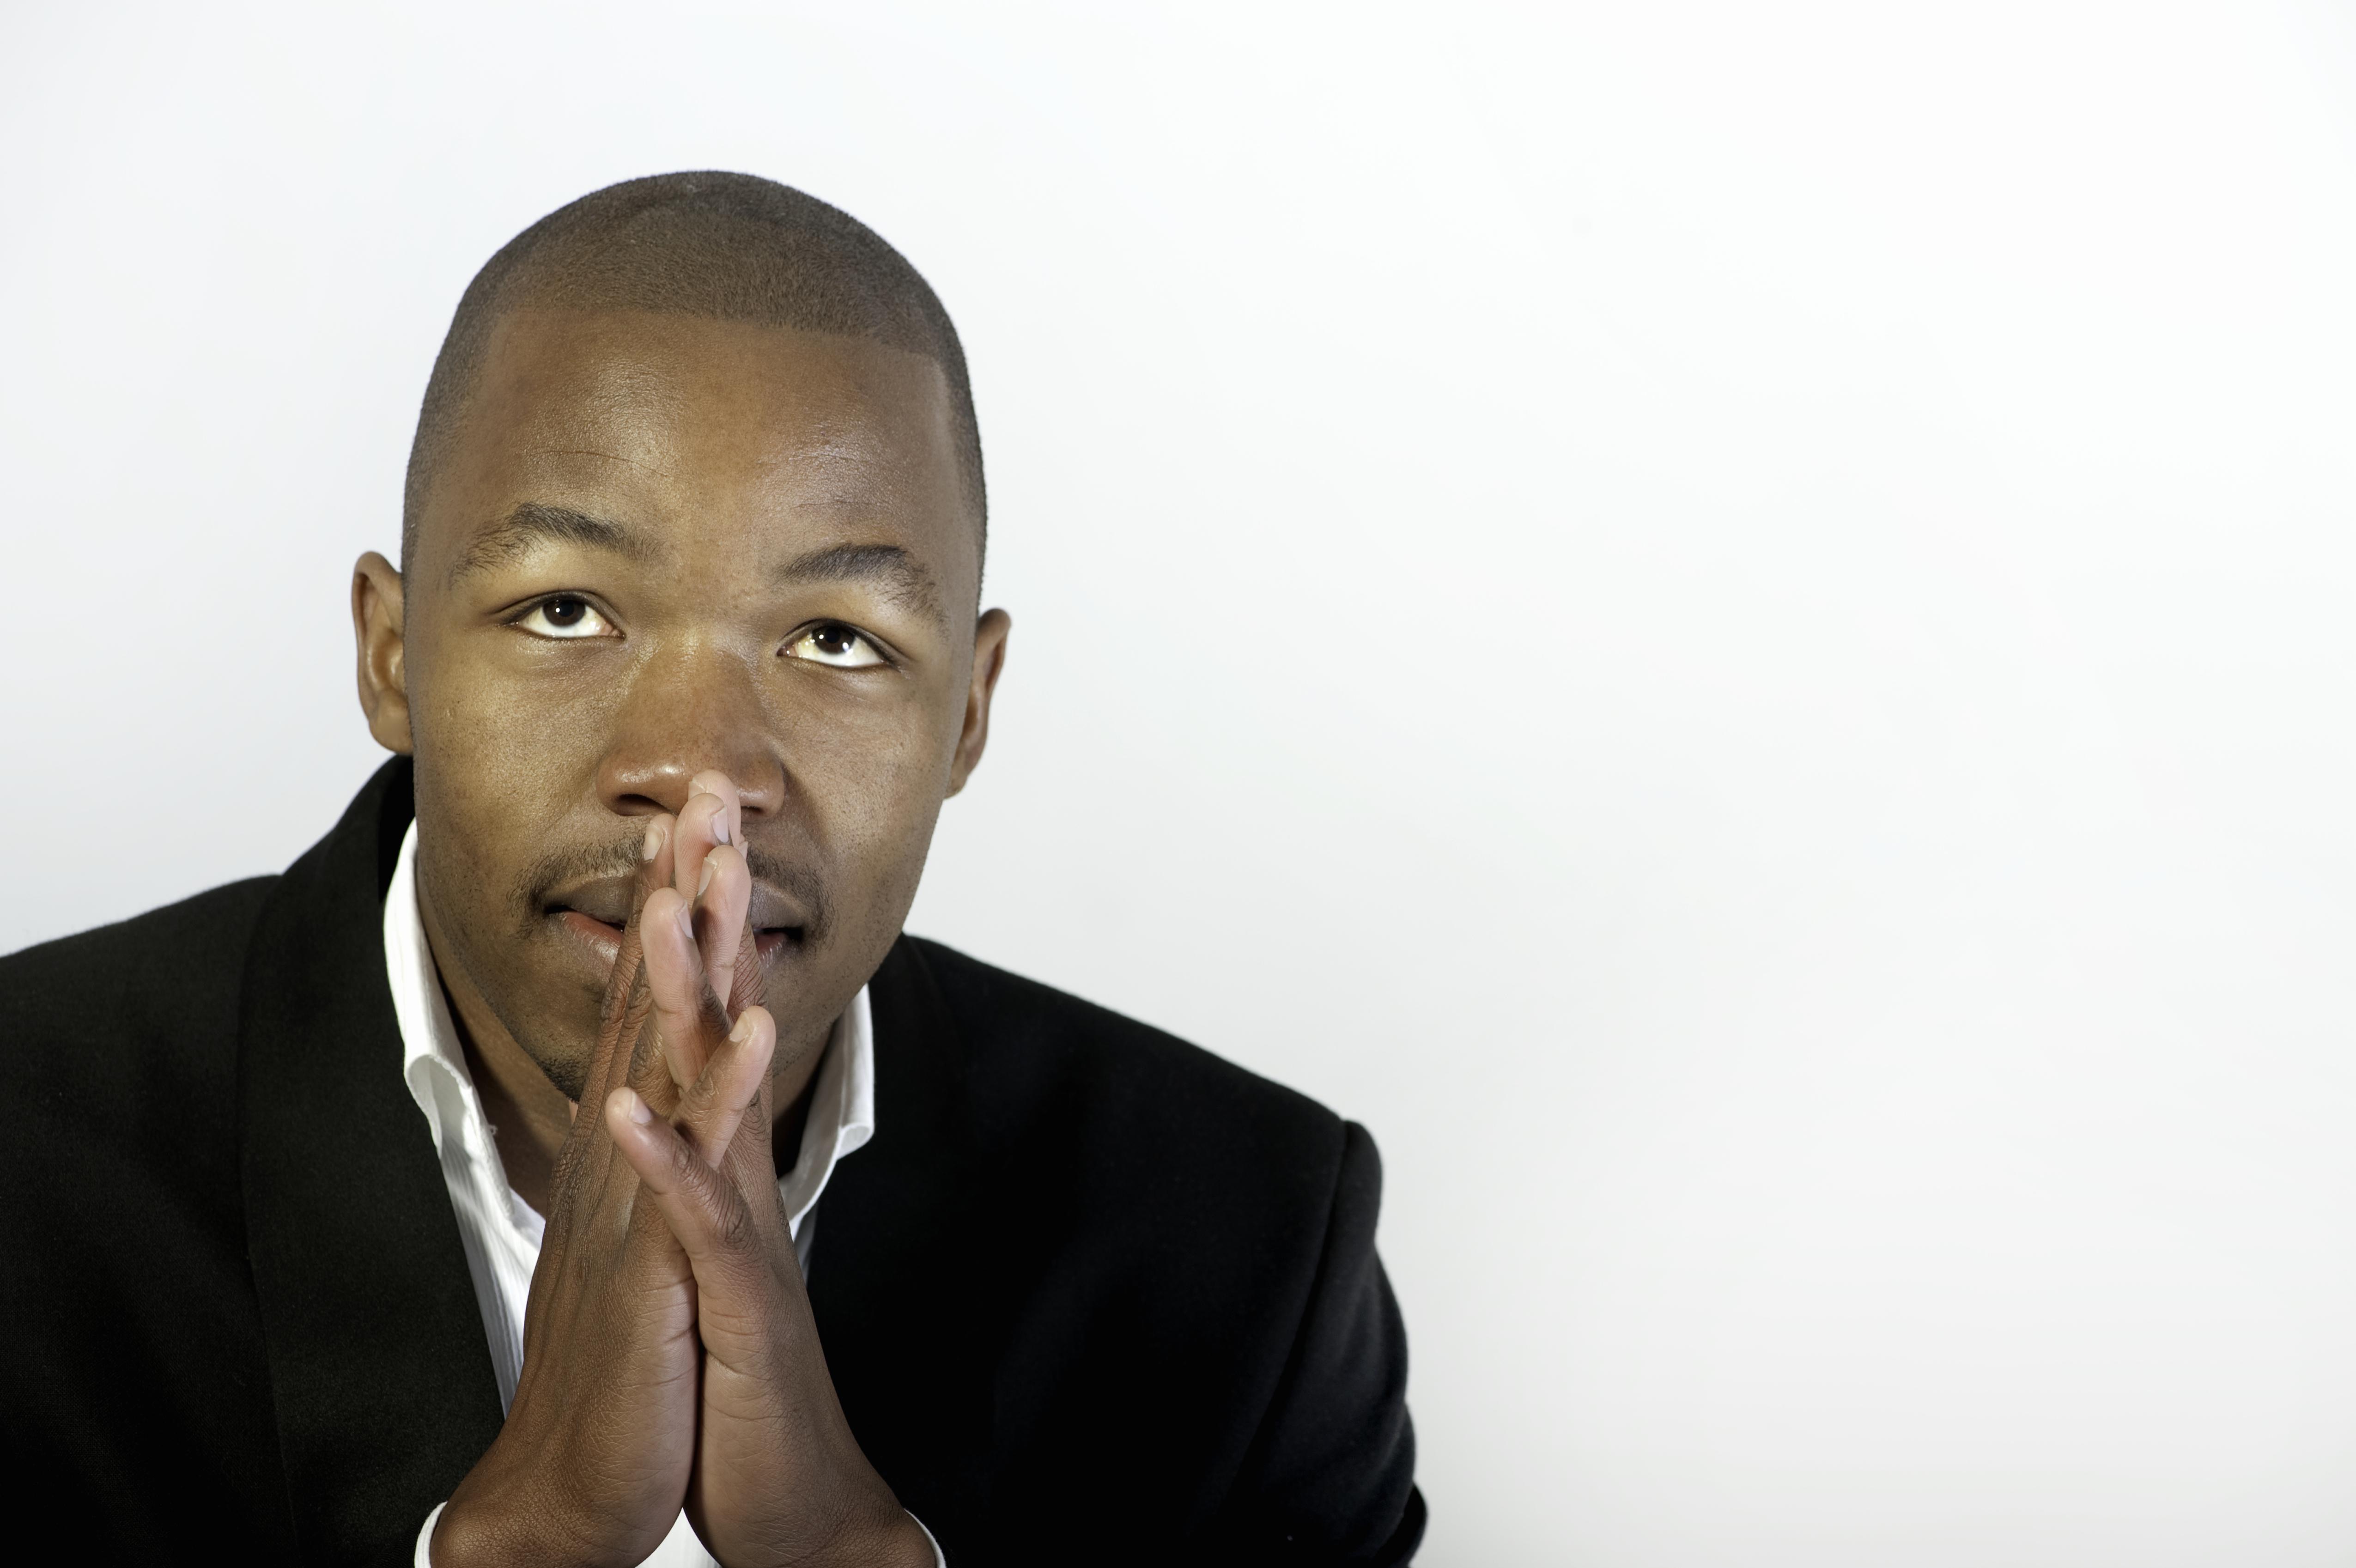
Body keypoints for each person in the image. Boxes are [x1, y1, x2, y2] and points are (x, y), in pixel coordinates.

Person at [0, 172, 1422, 1566]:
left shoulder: (1249, 1247)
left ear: (968, 715)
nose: (699, 772)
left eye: (837, 641)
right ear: (390, 654)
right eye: (566, 610)